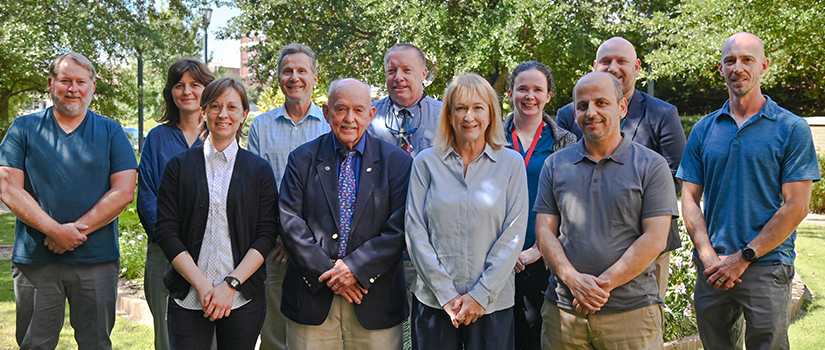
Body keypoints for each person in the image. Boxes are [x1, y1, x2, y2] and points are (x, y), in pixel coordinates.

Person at [677, 32, 819, 350]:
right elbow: (689, 198)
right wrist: (707, 256)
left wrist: (743, 258)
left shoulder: (791, 128)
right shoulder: (703, 129)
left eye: (747, 60)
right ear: (721, 68)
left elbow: (796, 206)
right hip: (712, 269)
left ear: (764, 66)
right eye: (730, 60)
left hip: (766, 266)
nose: (737, 67)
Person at [0, 52, 137, 349]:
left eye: (80, 82)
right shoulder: (22, 129)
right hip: (36, 261)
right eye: (65, 81)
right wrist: (53, 230)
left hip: (97, 260)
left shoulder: (111, 132)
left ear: (92, 87)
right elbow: (8, 188)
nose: (72, 88)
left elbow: (124, 191)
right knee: (34, 344)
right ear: (51, 84)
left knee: (96, 344)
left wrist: (75, 230)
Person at [534, 72, 678, 349]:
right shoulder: (555, 165)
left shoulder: (651, 166)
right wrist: (573, 280)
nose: (591, 112)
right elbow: (544, 231)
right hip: (564, 313)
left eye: (602, 103)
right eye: (583, 105)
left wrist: (599, 287)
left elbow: (655, 238)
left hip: (631, 316)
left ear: (622, 107)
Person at [278, 78, 412, 350]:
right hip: (312, 297)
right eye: (341, 109)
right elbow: (289, 221)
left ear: (371, 114)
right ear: (327, 112)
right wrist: (331, 274)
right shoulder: (301, 159)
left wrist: (355, 269)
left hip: (374, 300)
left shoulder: (398, 162)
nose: (349, 118)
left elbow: (400, 228)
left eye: (358, 110)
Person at [555, 37, 686, 301]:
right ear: (594, 66)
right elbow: (561, 178)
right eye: (606, 61)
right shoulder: (569, 115)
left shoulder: (662, 114)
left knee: (642, 326)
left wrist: (621, 212)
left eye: (621, 61)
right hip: (581, 245)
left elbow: (676, 178)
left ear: (637, 67)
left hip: (648, 245)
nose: (613, 67)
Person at [406, 73, 528, 350]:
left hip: (492, 303)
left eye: (477, 107)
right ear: (449, 116)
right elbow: (415, 231)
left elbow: (513, 235)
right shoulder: (425, 163)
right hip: (434, 302)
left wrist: (480, 295)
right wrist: (446, 295)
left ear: (491, 114)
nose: (469, 116)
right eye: (460, 108)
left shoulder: (511, 164)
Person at [154, 78, 279, 350]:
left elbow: (267, 234)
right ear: (203, 112)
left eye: (232, 107)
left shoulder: (259, 171)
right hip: (188, 296)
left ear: (244, 114)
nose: (223, 115)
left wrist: (230, 285)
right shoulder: (179, 166)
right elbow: (165, 231)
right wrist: (202, 286)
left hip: (242, 298)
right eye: (215, 106)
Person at [248, 43, 330, 350]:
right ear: (279, 78)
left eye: (301, 71)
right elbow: (258, 188)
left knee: (318, 329)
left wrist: (302, 239)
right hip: (275, 247)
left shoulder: (329, 125)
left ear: (314, 78)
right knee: (273, 329)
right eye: (287, 71)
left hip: (320, 244)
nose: (294, 77)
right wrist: (282, 236)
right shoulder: (261, 126)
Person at [137, 57, 215, 350]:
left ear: (207, 89)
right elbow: (146, 196)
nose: (187, 91)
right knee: (167, 339)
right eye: (179, 85)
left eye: (195, 85)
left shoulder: (220, 135)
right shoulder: (157, 138)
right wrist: (174, 244)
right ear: (171, 92)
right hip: (164, 254)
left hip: (212, 254)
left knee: (214, 335)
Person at [503, 61, 576, 350]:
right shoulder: (489, 137)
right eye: (522, 89)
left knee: (535, 334)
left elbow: (569, 204)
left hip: (542, 256)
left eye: (537, 89)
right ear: (510, 94)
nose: (529, 96)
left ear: (548, 96)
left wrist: (536, 251)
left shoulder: (565, 143)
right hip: (496, 258)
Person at [368, 43, 442, 156]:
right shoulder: (368, 117)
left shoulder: (445, 116)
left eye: (407, 70)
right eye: (391, 71)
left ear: (423, 74)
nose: (398, 77)